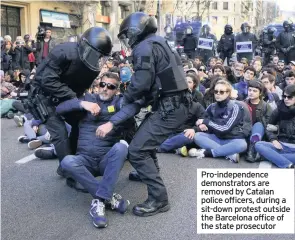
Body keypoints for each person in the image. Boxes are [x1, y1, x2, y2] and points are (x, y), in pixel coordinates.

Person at [116, 12, 190, 216]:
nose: (127, 40)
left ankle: (159, 199)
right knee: (143, 141)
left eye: (126, 35)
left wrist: (125, 97)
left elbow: (140, 83)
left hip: (170, 106)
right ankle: (147, 172)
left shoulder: (143, 47)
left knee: (137, 150)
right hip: (175, 104)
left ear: (134, 30)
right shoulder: (159, 42)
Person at [58, 72, 139, 228]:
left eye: (111, 87)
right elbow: (60, 108)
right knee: (67, 161)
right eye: (103, 84)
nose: (105, 89)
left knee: (121, 147)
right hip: (85, 159)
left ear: (116, 90)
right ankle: (107, 198)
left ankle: (99, 203)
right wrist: (82, 105)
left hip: (105, 160)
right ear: (97, 85)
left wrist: (112, 123)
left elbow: (133, 108)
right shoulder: (87, 99)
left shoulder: (118, 103)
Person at [27, 27, 113, 176]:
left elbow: (81, 89)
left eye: (100, 56)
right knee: (60, 132)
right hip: (42, 97)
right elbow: (48, 80)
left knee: (81, 123)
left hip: (66, 98)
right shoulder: (63, 52)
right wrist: (73, 98)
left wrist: (86, 103)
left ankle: (70, 163)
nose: (97, 59)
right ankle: (71, 173)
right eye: (94, 54)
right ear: (85, 46)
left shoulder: (93, 66)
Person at [255, 85, 295, 168]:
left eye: (290, 97)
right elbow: (268, 127)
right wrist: (273, 139)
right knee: (258, 145)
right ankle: (287, 164)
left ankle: (269, 156)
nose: (286, 99)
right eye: (284, 96)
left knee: (268, 153)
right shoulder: (279, 109)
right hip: (281, 145)